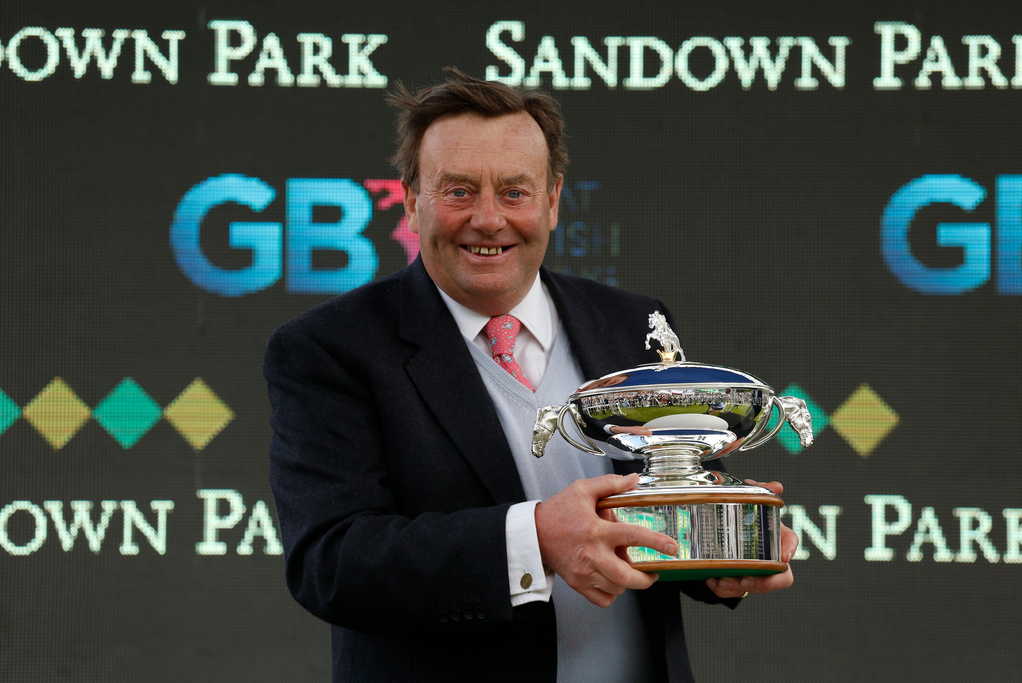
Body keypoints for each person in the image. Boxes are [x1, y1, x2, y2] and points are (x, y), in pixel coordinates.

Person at [265, 68, 798, 683]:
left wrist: (723, 555)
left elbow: (671, 503)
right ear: (411, 201)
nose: (489, 219)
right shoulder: (328, 349)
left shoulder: (635, 325)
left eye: (514, 192)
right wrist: (535, 538)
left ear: (552, 201)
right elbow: (332, 563)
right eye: (458, 191)